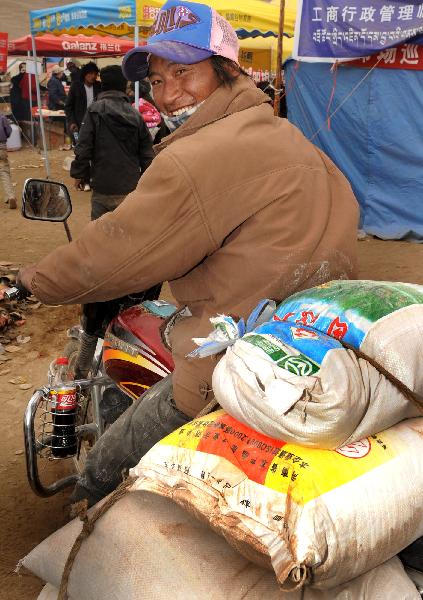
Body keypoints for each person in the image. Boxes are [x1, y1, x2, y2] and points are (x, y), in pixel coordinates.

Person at [19, 0, 359, 507]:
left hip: (232, 369)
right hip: (323, 361)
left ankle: (85, 522)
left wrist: (29, 281)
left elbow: (115, 250)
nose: (169, 90)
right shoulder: (294, 140)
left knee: (103, 471)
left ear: (226, 71)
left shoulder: (195, 157)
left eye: (184, 71)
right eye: (157, 80)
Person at [70, 65, 154, 220]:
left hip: (103, 186)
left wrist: (79, 174)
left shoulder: (94, 111)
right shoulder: (135, 115)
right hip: (130, 187)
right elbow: (147, 153)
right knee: (128, 236)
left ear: (102, 85)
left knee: (100, 236)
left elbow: (84, 147)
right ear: (124, 86)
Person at [65, 61, 100, 135]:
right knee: (79, 144)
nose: (93, 76)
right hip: (78, 124)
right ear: (85, 74)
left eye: (95, 74)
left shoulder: (99, 87)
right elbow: (68, 106)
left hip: (95, 124)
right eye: (90, 73)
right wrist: (72, 122)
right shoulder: (76, 86)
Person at [0, 115, 16, 209]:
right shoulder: (2, 118)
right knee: (4, 171)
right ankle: (10, 196)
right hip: (1, 147)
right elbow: (9, 131)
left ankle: (9, 197)